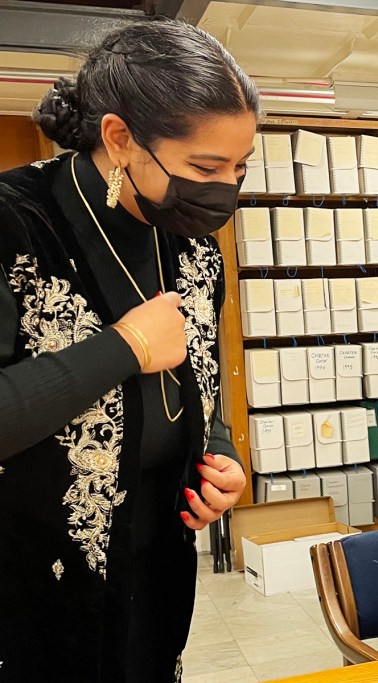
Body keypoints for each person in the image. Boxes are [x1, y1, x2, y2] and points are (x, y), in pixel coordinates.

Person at [0, 19, 258, 682]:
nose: (224, 189)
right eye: (205, 166)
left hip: (155, 575)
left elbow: (199, 391)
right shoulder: (14, 223)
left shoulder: (193, 248)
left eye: (238, 167)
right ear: (119, 138)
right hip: (31, 591)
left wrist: (218, 454)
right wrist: (124, 346)